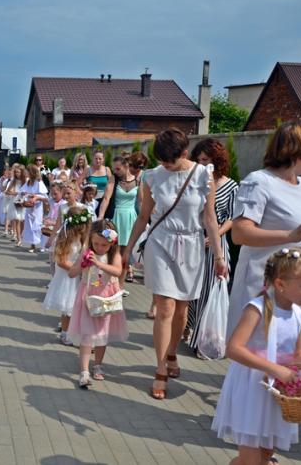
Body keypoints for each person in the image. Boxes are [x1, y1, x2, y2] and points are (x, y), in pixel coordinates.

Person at [123, 128, 227, 400]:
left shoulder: (204, 175)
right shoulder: (152, 176)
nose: (166, 166)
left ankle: (172, 352)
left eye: (170, 161)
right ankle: (160, 368)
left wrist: (219, 256)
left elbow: (210, 218)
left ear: (184, 153)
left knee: (182, 309)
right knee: (165, 307)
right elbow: (144, 217)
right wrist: (128, 249)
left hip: (192, 245)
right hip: (161, 242)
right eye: (162, 161)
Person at [212, 248, 301, 464]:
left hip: (276, 392)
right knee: (251, 460)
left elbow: (298, 353)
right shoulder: (257, 309)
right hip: (252, 389)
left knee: (264, 456)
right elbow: (234, 348)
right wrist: (276, 368)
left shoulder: (298, 314)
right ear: (280, 284)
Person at [227, 123, 301, 336]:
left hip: (297, 287)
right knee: (260, 347)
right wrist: (288, 236)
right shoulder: (259, 182)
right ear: (296, 150)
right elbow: (239, 233)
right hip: (263, 285)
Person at [186, 139, 239, 354]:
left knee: (211, 290)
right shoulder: (195, 182)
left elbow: (233, 217)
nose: (202, 164)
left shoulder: (231, 185)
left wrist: (215, 234)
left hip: (217, 245)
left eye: (206, 159)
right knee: (193, 291)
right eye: (198, 160)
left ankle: (206, 340)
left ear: (217, 160)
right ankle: (191, 329)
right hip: (194, 240)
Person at [67, 219, 128, 389]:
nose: (99, 248)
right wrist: (82, 265)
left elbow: (118, 271)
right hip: (88, 297)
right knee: (88, 334)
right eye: (96, 244)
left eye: (104, 245)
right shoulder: (86, 252)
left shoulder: (113, 254)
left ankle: (98, 365)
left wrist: (98, 263)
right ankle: (84, 371)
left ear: (112, 243)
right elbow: (71, 273)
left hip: (107, 298)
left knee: (103, 333)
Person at [43, 206, 89, 346]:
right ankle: (65, 333)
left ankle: (76, 332)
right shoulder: (64, 237)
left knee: (78, 307)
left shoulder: (83, 237)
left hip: (80, 276)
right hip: (67, 277)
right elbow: (61, 261)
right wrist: (78, 269)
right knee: (67, 307)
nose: (83, 229)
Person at [106, 156, 140, 285]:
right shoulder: (114, 179)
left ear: (126, 166)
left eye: (118, 168)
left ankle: (120, 286)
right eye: (114, 169)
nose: (115, 171)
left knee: (126, 253)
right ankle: (111, 283)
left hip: (131, 218)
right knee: (114, 252)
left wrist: (147, 219)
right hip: (116, 217)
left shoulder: (138, 180)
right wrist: (100, 217)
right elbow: (106, 198)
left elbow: (141, 202)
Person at [21, 165, 49, 253]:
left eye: (27, 171)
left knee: (37, 226)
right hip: (29, 208)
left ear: (31, 172)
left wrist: (36, 197)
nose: (25, 173)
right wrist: (24, 197)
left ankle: (43, 244)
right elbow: (22, 192)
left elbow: (45, 197)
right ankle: (32, 244)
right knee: (29, 226)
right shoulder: (28, 182)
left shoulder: (39, 182)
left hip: (37, 208)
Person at [86, 150, 113, 218]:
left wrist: (109, 194)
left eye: (100, 159)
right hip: (91, 200)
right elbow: (77, 183)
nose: (98, 160)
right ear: (93, 159)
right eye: (96, 158)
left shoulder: (107, 169)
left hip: (104, 199)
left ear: (103, 159)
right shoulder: (88, 169)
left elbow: (112, 184)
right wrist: (83, 193)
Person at [5, 165, 27, 246]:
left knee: (23, 221)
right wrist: (15, 193)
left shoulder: (26, 181)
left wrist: (25, 194)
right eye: (16, 172)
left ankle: (20, 235)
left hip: (24, 202)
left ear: (22, 172)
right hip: (15, 202)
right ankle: (19, 239)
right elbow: (7, 191)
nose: (17, 174)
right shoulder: (13, 181)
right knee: (17, 220)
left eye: (19, 172)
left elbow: (29, 191)